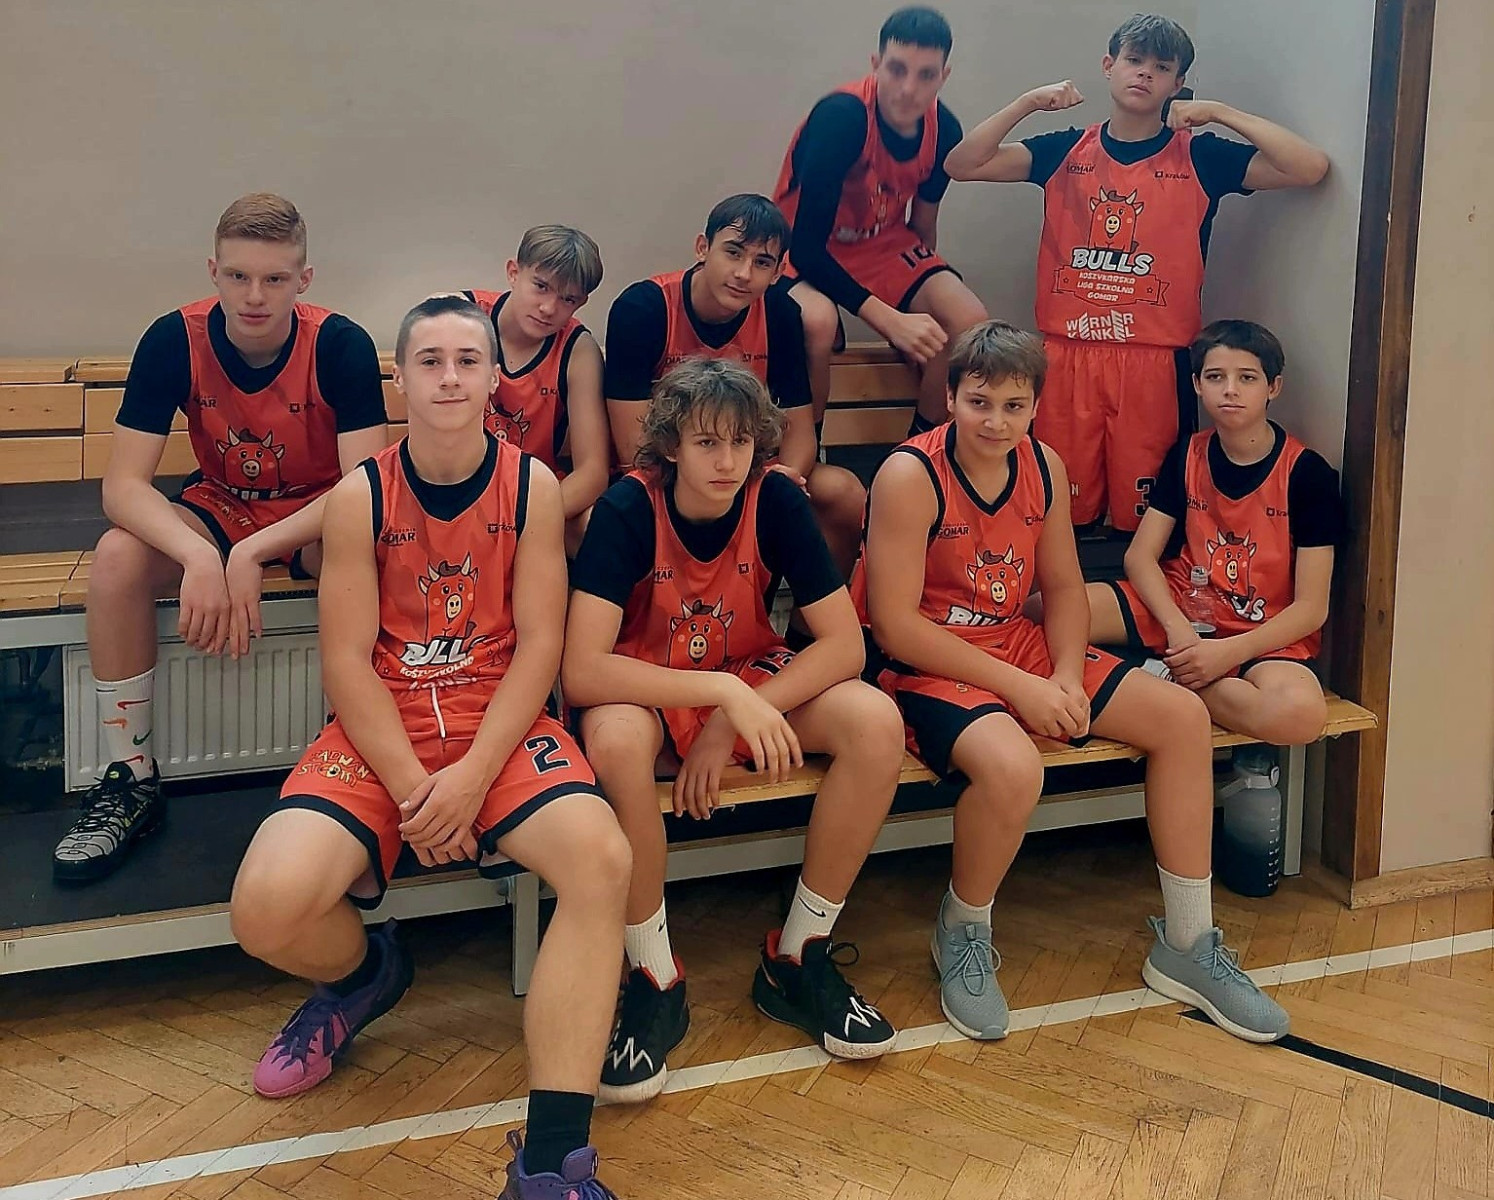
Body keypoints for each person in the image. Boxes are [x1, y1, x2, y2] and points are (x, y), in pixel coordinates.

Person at [229, 296, 629, 1199]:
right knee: (264, 910)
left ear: (493, 381)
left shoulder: (531, 487)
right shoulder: (360, 495)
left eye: (467, 361)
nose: (450, 377)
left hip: (498, 720)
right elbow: (345, 662)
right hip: (389, 725)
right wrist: (420, 791)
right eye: (430, 361)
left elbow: (541, 646)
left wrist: (474, 778)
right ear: (401, 380)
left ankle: (552, 1161)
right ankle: (366, 974)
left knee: (601, 859)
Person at [860, 319, 1289, 1043]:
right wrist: (1023, 688)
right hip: (930, 658)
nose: (995, 422)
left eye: (1014, 406)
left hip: (1017, 643)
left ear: (1035, 406)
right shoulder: (909, 474)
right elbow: (895, 625)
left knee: (1183, 718)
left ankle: (1188, 944)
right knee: (1013, 768)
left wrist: (1064, 674)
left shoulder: (1044, 465)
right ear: (950, 398)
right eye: (979, 403)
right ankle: (963, 929)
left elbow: (1062, 588)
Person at [565, 357, 905, 1103]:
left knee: (876, 722)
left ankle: (797, 955)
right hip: (650, 683)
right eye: (707, 443)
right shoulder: (627, 507)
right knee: (613, 741)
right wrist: (720, 693)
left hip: (745, 679)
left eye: (741, 443)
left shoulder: (773, 498)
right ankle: (653, 976)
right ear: (671, 446)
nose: (727, 461)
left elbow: (845, 646)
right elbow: (583, 671)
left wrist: (732, 714)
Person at [55, 193, 388, 885]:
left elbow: (363, 491)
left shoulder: (340, 344)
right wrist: (201, 553)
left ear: (303, 279)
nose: (254, 296)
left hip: (317, 510)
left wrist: (255, 553)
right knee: (117, 556)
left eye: (274, 278)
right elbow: (123, 487)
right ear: (214, 272)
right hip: (221, 505)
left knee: (363, 553)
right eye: (238, 276)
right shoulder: (174, 338)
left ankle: (351, 755)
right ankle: (129, 777)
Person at [944, 13, 1329, 531]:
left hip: (1155, 363)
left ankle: (1136, 584)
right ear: (1109, 65)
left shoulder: (1201, 156)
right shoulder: (1066, 150)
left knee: (1145, 520)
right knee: (1057, 513)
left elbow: (1309, 167)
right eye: (1134, 59)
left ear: (1177, 83)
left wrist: (1219, 112)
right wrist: (1027, 103)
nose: (1145, 73)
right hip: (1067, 355)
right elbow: (962, 164)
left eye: (1162, 67)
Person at [1089, 320, 1342, 746]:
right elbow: (1140, 557)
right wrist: (1180, 632)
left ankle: (1164, 681)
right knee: (1050, 612)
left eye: (1247, 378)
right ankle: (1169, 673)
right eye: (1215, 377)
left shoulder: (1307, 473)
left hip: (1261, 631)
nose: (1230, 390)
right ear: (1197, 385)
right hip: (1182, 609)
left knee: (1298, 717)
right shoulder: (1189, 452)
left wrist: (1225, 654)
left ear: (1273, 387)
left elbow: (1311, 608)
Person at [603, 193, 865, 573]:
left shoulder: (780, 313)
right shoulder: (643, 309)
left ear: (778, 272)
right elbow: (635, 447)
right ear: (702, 248)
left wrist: (783, 477)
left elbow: (799, 430)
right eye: (733, 252)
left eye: (762, 262)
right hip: (665, 473)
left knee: (845, 493)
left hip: (747, 468)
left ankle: (812, 611)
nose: (744, 273)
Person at [771, 6, 987, 431]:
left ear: (944, 76)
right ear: (876, 64)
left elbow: (922, 226)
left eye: (926, 75)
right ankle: (809, 445)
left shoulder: (945, 130)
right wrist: (891, 320)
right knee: (818, 322)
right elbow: (807, 248)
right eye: (897, 69)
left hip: (879, 241)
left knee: (967, 320)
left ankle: (922, 448)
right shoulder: (842, 117)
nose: (908, 89)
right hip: (802, 242)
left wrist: (916, 295)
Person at [462, 224, 609, 555]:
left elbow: (592, 472)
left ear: (581, 302)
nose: (548, 308)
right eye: (541, 287)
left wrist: (524, 519)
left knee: (594, 527)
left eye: (567, 299)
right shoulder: (465, 317)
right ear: (514, 272)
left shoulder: (577, 349)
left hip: (532, 493)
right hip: (457, 485)